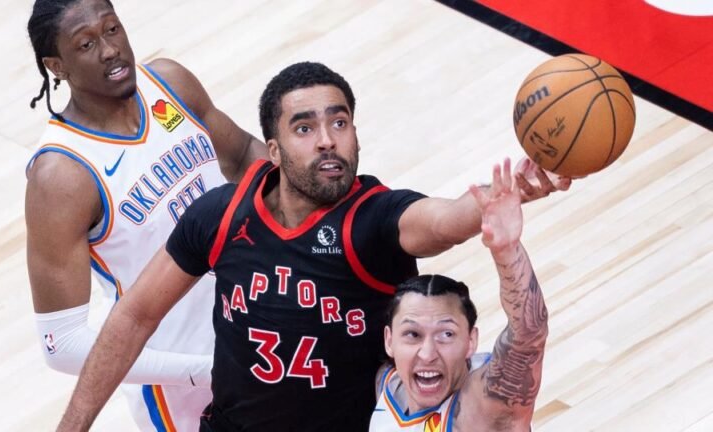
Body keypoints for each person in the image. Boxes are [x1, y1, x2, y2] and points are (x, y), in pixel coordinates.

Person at [56, 61, 568, 432]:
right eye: (305, 127)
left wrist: (513, 192)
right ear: (273, 151)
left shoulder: (373, 219)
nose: (327, 139)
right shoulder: (222, 215)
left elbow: (447, 218)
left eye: (339, 122)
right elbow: (133, 317)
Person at [24, 0, 266, 431]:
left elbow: (246, 153)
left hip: (269, 319)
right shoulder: (61, 174)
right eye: (86, 43)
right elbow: (61, 344)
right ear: (56, 65)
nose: (110, 49)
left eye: (112, 29)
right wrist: (198, 369)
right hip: (188, 382)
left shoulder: (169, 84)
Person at [371, 160, 545, 431]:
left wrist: (506, 250)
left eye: (446, 334)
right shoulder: (388, 385)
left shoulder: (484, 407)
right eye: (413, 334)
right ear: (389, 341)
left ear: (471, 341)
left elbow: (528, 333)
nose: (428, 353)